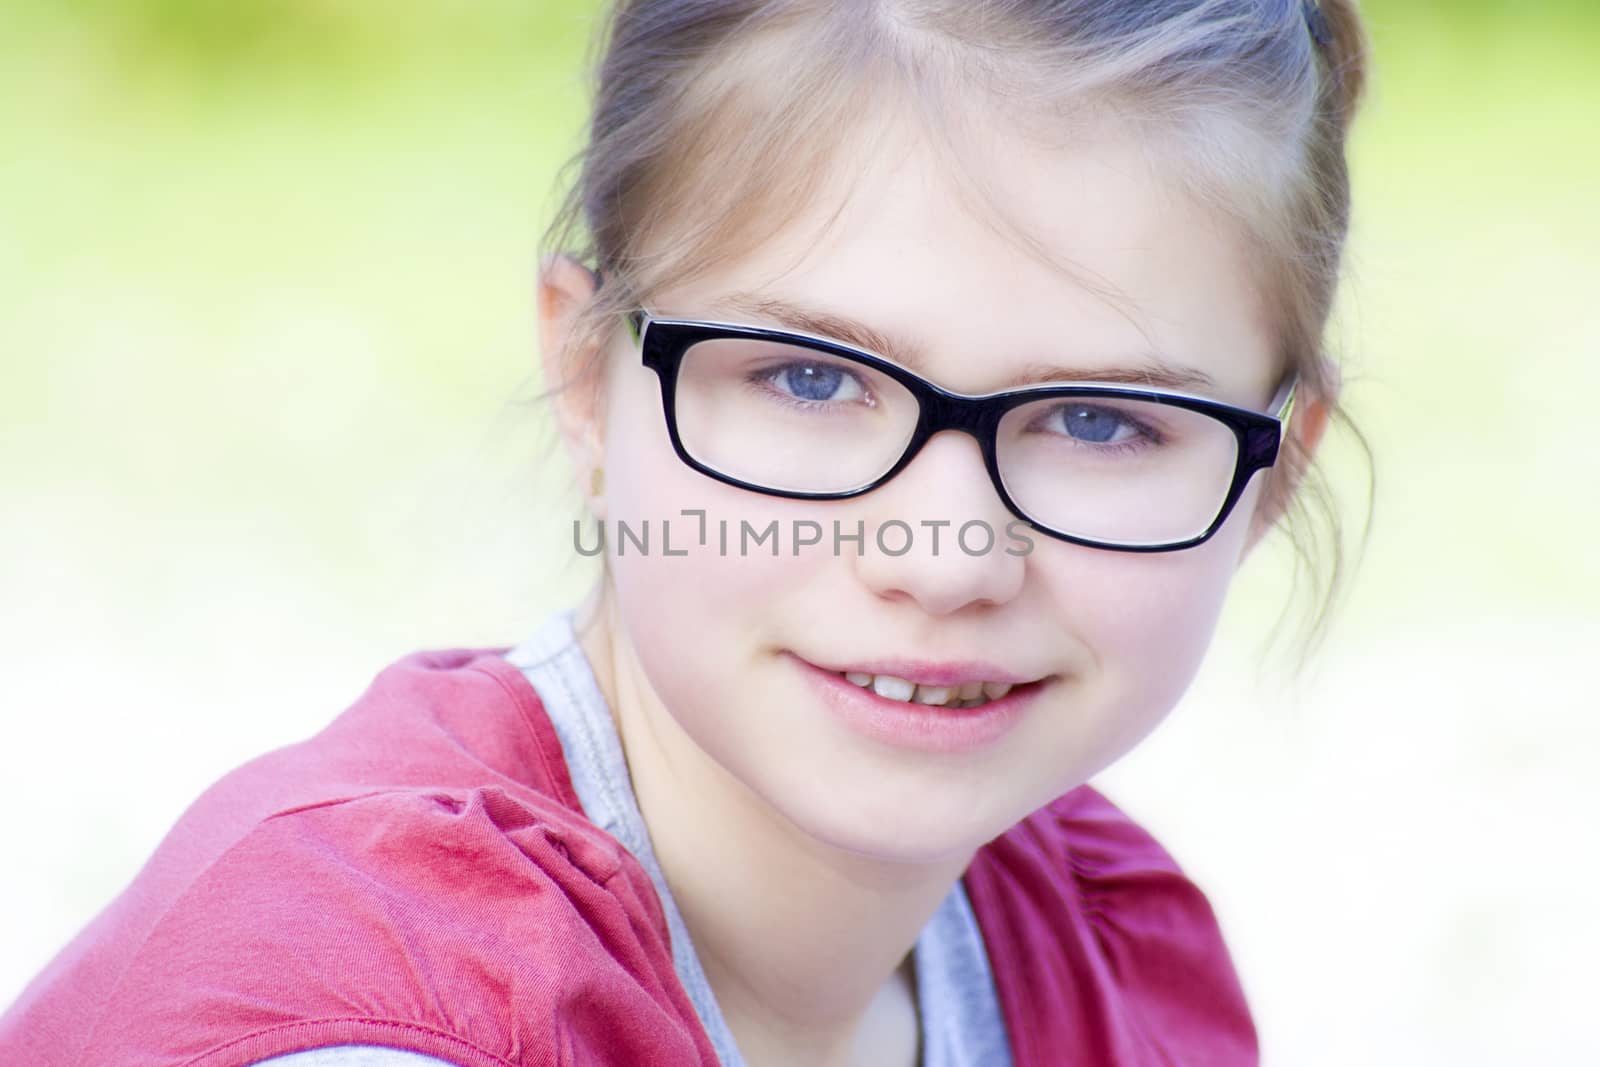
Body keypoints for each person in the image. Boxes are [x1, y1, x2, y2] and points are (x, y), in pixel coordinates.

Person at [0, 1, 1371, 1064]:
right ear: (588, 375)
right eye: (811, 380)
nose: (948, 562)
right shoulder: (382, 1015)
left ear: (1271, 477)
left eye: (1099, 421)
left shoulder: (1107, 949)